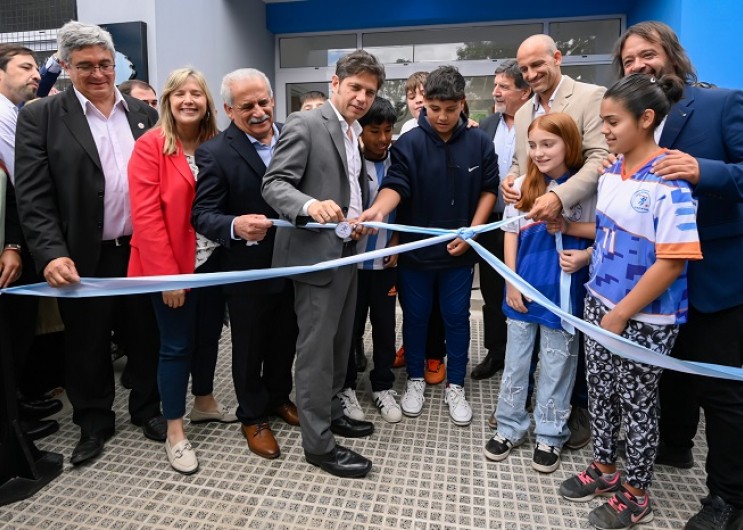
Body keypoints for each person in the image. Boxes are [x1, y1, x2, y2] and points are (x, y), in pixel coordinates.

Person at [13, 21, 164, 466]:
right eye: (85, 67)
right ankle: (94, 421)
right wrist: (51, 253)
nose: (98, 74)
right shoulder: (41, 116)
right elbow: (33, 196)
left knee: (145, 335)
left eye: (104, 64)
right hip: (82, 254)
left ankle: (148, 409)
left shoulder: (144, 115)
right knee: (86, 343)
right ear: (64, 66)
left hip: (139, 250)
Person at [614, 21, 743, 530]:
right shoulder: (634, 122)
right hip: (657, 280)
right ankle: (673, 446)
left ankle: (729, 499)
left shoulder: (722, 103)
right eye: (629, 61)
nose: (640, 66)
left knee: (721, 391)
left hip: (716, 278)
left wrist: (701, 170)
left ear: (672, 55)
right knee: (669, 372)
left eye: (648, 55)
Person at [558, 73, 702, 530]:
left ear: (646, 119)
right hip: (599, 302)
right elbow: (610, 233)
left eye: (613, 122)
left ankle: (637, 493)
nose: (606, 132)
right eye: (602, 122)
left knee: (638, 402)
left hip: (644, 316)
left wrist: (621, 314)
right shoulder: (612, 173)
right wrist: (587, 255)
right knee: (600, 391)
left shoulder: (668, 180)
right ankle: (604, 469)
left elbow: (673, 261)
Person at [261, 50, 383, 478]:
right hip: (315, 258)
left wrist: (359, 219)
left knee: (339, 344)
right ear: (336, 83)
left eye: (369, 91)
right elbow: (274, 184)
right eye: (355, 87)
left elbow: (349, 188)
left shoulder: (354, 132)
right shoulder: (307, 123)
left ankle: (331, 413)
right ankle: (318, 444)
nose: (362, 97)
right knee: (314, 353)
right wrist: (311, 205)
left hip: (348, 252)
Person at [356, 65, 498, 426]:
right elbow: (396, 185)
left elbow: (488, 189)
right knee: (416, 318)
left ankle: (456, 385)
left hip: (459, 253)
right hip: (416, 254)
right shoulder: (408, 144)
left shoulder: (479, 142)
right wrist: (376, 211)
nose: (443, 117)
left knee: (456, 318)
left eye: (450, 109)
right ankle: (416, 379)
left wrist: (472, 233)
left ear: (462, 103)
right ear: (424, 106)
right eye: (434, 109)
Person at [127, 67, 233, 474]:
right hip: (172, 266)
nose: (189, 100)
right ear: (168, 101)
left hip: (214, 263)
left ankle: (204, 401)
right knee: (175, 346)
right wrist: (170, 276)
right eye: (180, 94)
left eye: (197, 94)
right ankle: (174, 429)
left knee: (208, 338)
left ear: (208, 102)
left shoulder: (217, 144)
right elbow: (148, 217)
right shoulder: (150, 146)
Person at [192, 68, 299, 460]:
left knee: (285, 338)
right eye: (247, 106)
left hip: (294, 264)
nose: (258, 112)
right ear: (228, 110)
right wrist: (235, 225)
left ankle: (278, 398)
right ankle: (252, 415)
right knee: (250, 345)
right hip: (246, 268)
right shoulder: (215, 152)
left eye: (264, 102)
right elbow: (202, 214)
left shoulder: (294, 135)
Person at [483, 112, 594, 473]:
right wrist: (511, 281)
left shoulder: (584, 186)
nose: (540, 152)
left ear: (570, 144)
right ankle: (509, 426)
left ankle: (550, 433)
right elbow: (510, 233)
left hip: (563, 294)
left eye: (549, 144)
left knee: (558, 365)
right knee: (516, 362)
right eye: (533, 145)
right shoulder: (524, 185)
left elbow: (608, 230)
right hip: (522, 291)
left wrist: (585, 255)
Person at [337, 97, 401, 424]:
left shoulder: (398, 161)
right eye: (374, 130)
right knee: (349, 328)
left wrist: (397, 240)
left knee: (386, 328)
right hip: (351, 265)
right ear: (360, 131)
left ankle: (383, 385)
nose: (382, 138)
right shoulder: (349, 162)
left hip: (384, 266)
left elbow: (405, 206)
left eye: (387, 130)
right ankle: (346, 387)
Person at [471, 59, 531, 382]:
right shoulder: (485, 126)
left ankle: (529, 361)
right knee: (494, 294)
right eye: (496, 85)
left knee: (526, 291)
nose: (495, 92)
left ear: (524, 92)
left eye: (503, 87)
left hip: (532, 225)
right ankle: (496, 353)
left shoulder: (539, 121)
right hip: (493, 223)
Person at [392, 69, 447, 385]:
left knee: (440, 303)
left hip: (440, 233)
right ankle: (410, 346)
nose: (417, 100)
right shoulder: (404, 134)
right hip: (410, 232)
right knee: (412, 302)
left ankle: (434, 354)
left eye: (422, 95)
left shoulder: (455, 131)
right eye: (411, 95)